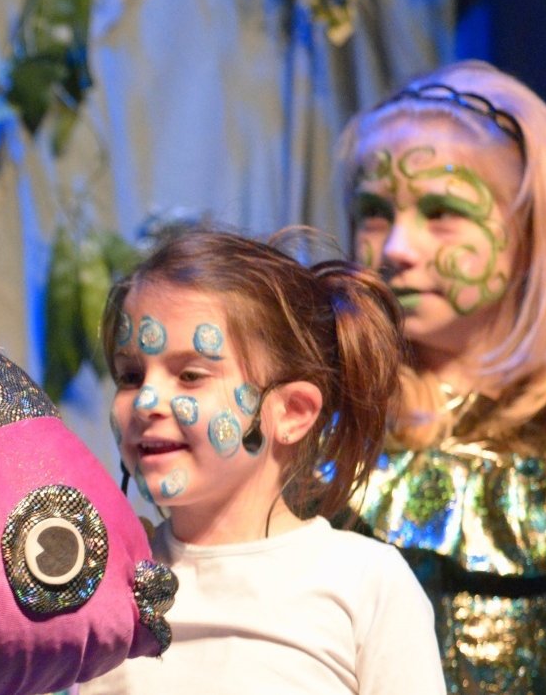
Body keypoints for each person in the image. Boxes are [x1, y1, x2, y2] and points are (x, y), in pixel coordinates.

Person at [340, 60, 546, 694]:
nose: (397, 248)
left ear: (531, 235)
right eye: (375, 212)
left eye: (442, 212)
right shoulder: (335, 437)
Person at [79, 229, 444, 694]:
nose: (146, 402)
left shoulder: (364, 582)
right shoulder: (108, 581)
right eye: (130, 376)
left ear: (291, 412)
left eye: (190, 375)